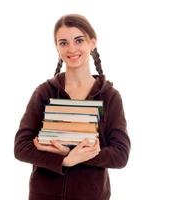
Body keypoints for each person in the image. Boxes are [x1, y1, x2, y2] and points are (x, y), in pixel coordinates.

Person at [14, 13, 131, 200]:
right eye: (63, 43)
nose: (71, 49)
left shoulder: (110, 96)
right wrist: (65, 160)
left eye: (78, 40)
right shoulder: (45, 93)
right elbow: (21, 147)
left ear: (92, 43)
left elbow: (120, 154)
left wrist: (73, 154)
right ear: (57, 47)